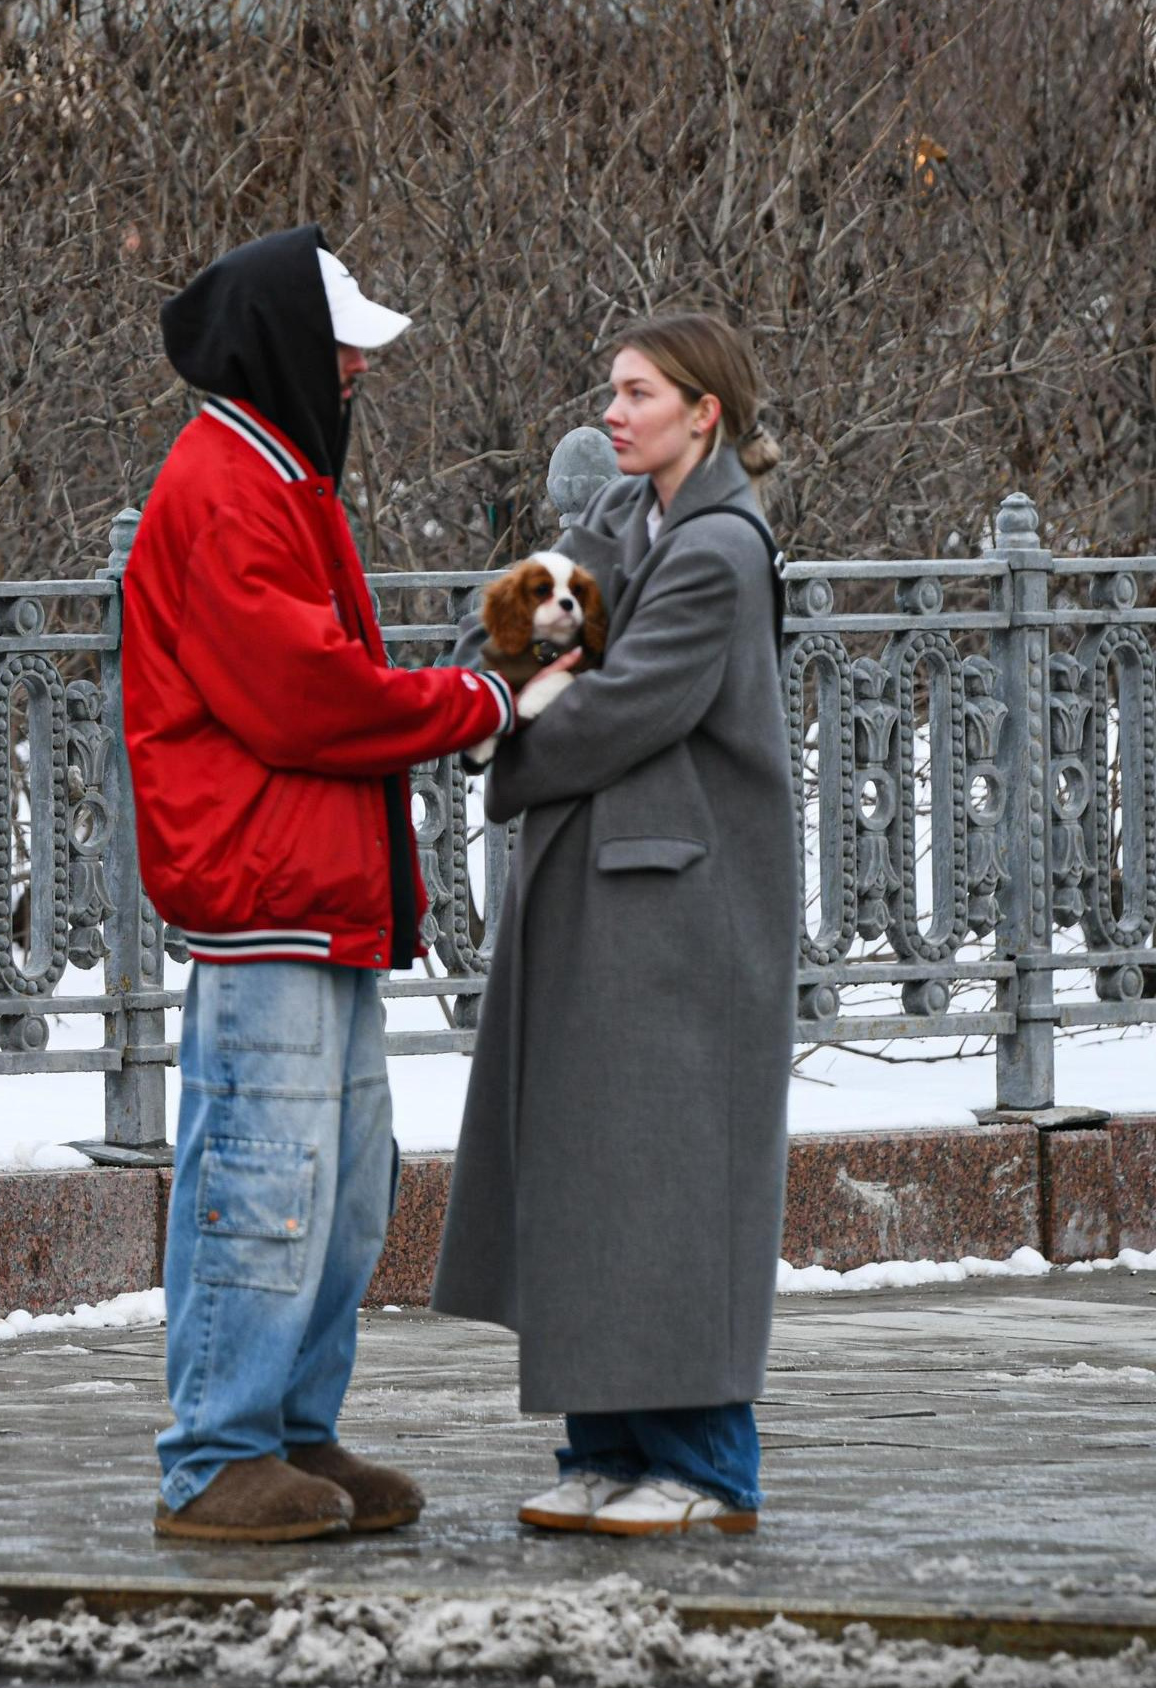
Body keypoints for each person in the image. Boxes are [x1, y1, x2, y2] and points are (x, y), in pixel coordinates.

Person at [127, 226, 524, 1543]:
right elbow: (304, 697)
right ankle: (218, 1454)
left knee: (342, 1191)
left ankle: (289, 1433)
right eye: (343, 343)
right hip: (267, 900)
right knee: (263, 1181)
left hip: (310, 897)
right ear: (286, 342)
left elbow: (311, 691)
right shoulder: (231, 487)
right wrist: (476, 699)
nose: (356, 368)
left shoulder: (270, 477)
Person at [432, 310, 793, 1537]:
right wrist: (569, 566)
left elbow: (624, 703)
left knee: (669, 1184)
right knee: (591, 1172)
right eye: (610, 391)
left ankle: (705, 1465)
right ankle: (601, 1446)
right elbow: (522, 635)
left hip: (683, 906)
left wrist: (502, 723)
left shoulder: (719, 550)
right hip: (600, 891)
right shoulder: (629, 527)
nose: (613, 411)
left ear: (707, 412)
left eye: (639, 394)